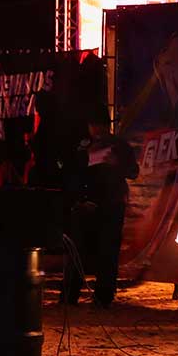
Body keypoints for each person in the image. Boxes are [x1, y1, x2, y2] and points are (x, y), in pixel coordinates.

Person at [63, 108, 139, 306]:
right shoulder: (83, 146)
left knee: (107, 251)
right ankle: (70, 295)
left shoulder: (120, 146)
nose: (95, 130)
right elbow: (72, 172)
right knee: (77, 251)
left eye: (98, 126)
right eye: (93, 126)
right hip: (86, 204)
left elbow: (133, 172)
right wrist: (78, 198)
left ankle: (103, 296)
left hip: (111, 205)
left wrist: (117, 165)